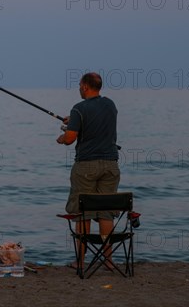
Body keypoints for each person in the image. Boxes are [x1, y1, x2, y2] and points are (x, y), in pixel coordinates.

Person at [57, 72, 120, 269]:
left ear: (85, 86)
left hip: (86, 166)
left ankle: (81, 262)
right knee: (105, 213)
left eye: (79, 85)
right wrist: (74, 121)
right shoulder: (110, 105)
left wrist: (62, 137)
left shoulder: (79, 108)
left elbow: (69, 139)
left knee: (83, 213)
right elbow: (96, 124)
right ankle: (108, 260)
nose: (79, 89)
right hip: (110, 164)